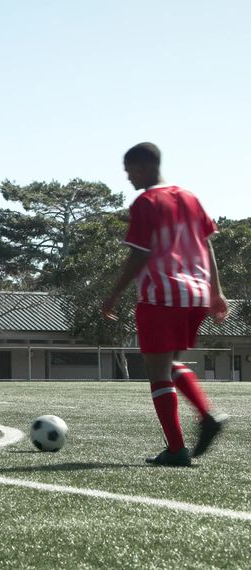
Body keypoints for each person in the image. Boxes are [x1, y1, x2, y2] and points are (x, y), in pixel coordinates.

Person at [102, 142, 229, 467]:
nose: (128, 178)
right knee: (170, 365)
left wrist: (114, 294)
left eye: (129, 171)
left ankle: (177, 448)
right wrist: (216, 291)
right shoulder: (189, 197)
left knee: (157, 372)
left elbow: (140, 254)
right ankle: (205, 417)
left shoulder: (146, 202)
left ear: (142, 167)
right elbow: (207, 245)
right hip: (195, 296)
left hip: (161, 296)